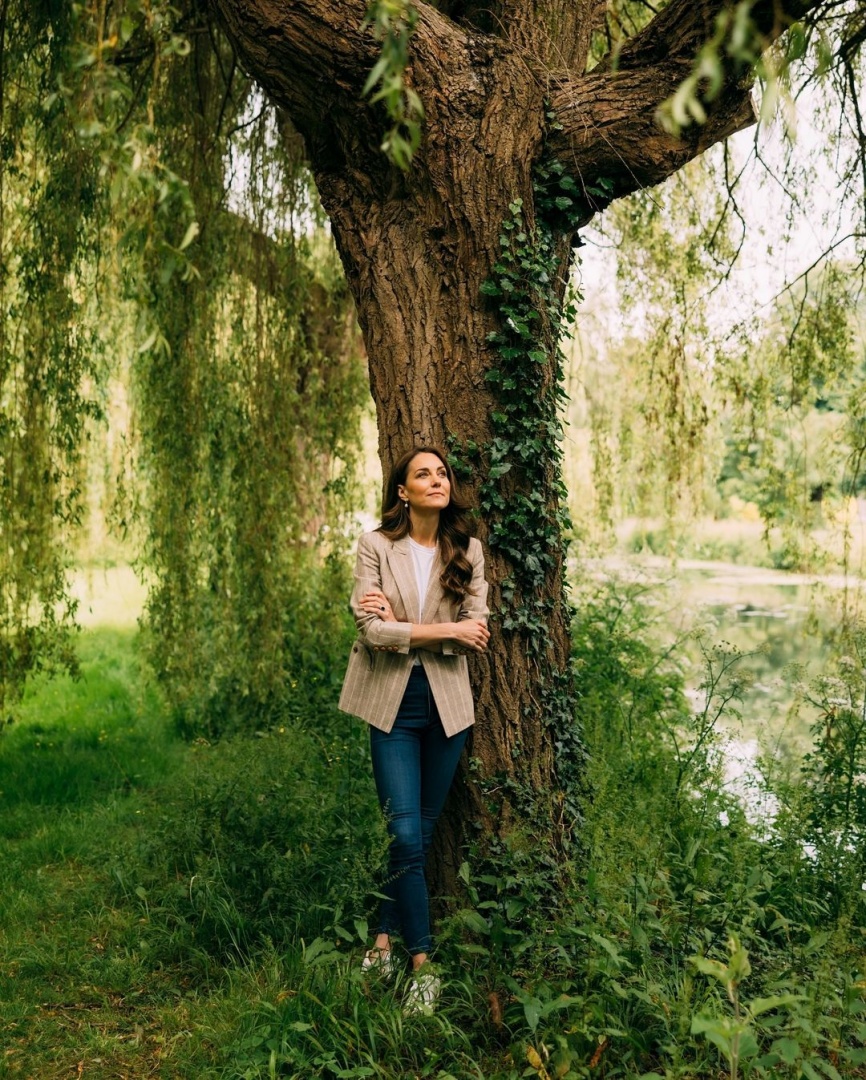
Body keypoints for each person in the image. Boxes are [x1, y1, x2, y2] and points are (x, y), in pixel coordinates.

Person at [339, 445, 489, 1014]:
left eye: (442, 472)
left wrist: (406, 626)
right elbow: (373, 632)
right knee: (403, 833)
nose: (437, 480)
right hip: (391, 703)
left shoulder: (467, 550)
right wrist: (436, 631)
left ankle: (381, 941)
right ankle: (423, 965)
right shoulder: (377, 545)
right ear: (403, 490)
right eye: (422, 474)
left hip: (448, 706)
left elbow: (478, 629)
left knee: (418, 835)